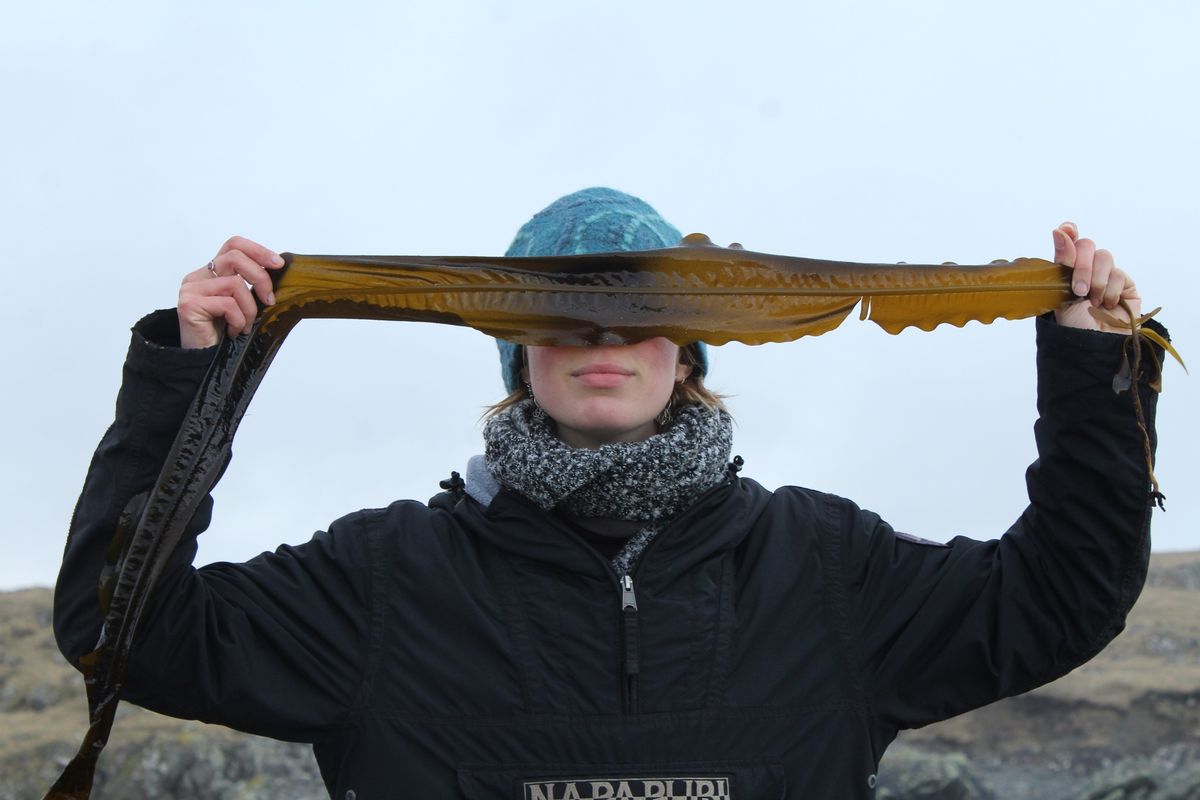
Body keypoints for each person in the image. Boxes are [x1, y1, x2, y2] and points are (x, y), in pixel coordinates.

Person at [55, 188, 1163, 799]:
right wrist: (190, 379)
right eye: (559, 311)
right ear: (513, 355)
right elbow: (126, 628)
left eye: (641, 308)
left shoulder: (823, 567)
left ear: (688, 352)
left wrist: (1093, 365)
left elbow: (1060, 594)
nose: (602, 334)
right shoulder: (385, 579)